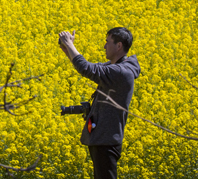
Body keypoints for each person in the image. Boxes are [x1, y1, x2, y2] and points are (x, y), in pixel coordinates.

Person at [58, 27, 141, 179]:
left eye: (107, 42)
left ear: (119, 46)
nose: (104, 46)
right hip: (103, 138)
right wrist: (67, 50)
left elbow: (87, 68)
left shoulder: (121, 72)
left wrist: (70, 45)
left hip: (106, 140)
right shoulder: (116, 68)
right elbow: (87, 68)